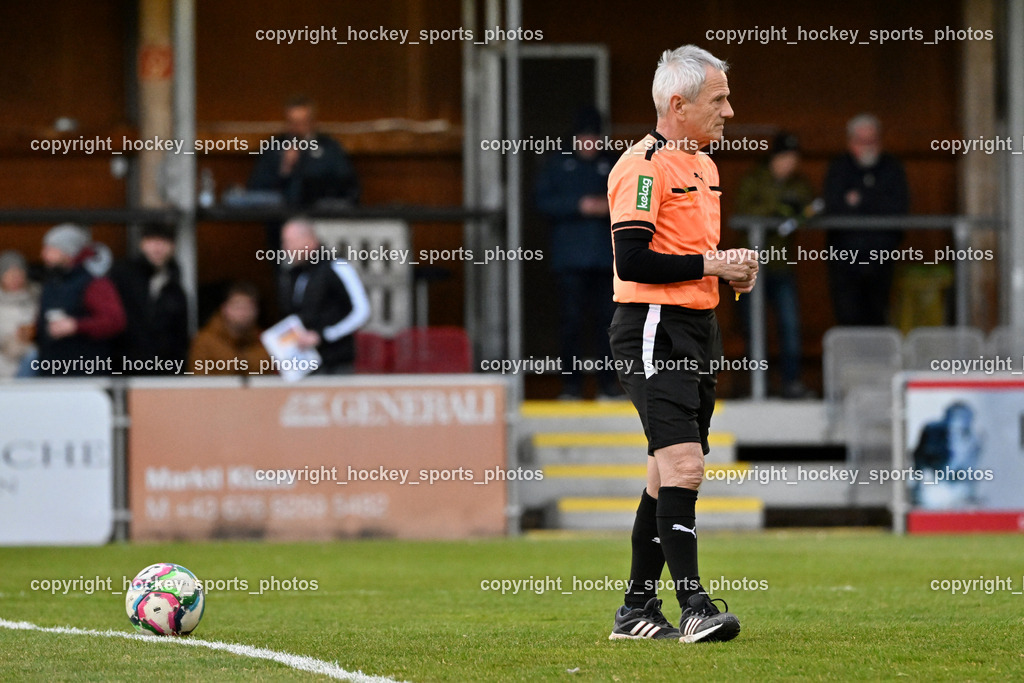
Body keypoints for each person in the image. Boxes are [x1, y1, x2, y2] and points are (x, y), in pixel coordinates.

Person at [606, 45, 756, 643]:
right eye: (718, 100)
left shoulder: (705, 166)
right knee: (685, 466)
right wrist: (713, 264)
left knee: (663, 475)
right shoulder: (643, 168)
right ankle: (694, 606)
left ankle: (636, 610)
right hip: (653, 325)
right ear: (678, 105)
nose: (729, 111)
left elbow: (692, 257)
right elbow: (633, 259)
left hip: (697, 328)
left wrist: (730, 271)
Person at [534, 106, 620, 399]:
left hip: (606, 260)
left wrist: (609, 207)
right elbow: (541, 202)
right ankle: (571, 387)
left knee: (609, 324)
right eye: (584, 138)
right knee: (570, 323)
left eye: (594, 138)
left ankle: (608, 386)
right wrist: (578, 205)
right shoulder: (558, 163)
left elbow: (635, 200)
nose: (589, 144)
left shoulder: (613, 163)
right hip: (569, 260)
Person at [735, 132, 816, 398]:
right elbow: (742, 212)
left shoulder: (799, 183)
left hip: (781, 266)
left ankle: (791, 382)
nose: (789, 164)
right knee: (753, 328)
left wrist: (795, 209)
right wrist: (777, 206)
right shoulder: (754, 179)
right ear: (774, 158)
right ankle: (756, 387)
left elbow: (808, 209)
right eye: (784, 158)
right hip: (750, 267)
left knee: (790, 325)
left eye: (794, 159)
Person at [823, 113, 909, 326]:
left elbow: (898, 209)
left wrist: (859, 199)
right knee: (848, 316)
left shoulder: (892, 168)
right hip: (845, 260)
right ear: (850, 142)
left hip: (881, 258)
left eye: (872, 141)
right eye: (862, 141)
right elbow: (833, 208)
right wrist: (873, 199)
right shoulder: (839, 168)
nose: (867, 146)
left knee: (878, 317)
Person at [277, 219, 370, 374]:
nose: (286, 248)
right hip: (303, 362)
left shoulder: (337, 266)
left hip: (336, 363)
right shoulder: (293, 274)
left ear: (309, 240)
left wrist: (324, 335)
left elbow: (362, 312)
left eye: (290, 242)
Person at [35, 224, 126, 377]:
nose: (43, 255)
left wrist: (76, 326)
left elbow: (114, 321)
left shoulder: (94, 283)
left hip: (84, 376)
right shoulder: (52, 283)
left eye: (51, 250)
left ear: (68, 252)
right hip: (52, 373)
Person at [248, 95, 360, 210]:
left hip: (319, 213)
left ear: (312, 122)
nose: (296, 127)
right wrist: (284, 169)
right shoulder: (273, 147)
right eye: (292, 122)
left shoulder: (329, 147)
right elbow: (256, 188)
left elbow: (347, 185)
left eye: (301, 122)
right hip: (280, 214)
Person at [110, 225, 189, 375]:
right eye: (152, 241)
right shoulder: (122, 276)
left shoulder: (175, 290)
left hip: (161, 374)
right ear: (142, 244)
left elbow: (180, 339)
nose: (158, 248)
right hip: (122, 369)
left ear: (173, 247)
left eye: (164, 241)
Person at [189, 282, 272, 376]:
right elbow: (198, 378)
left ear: (257, 311)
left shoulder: (265, 342)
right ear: (224, 309)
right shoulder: (204, 341)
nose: (243, 313)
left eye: (249, 307)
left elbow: (272, 378)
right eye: (238, 307)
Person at [0, 250, 40, 378]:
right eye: (11, 275)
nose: (15, 279)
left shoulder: (36, 296)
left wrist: (33, 332)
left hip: (28, 357)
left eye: (19, 275)